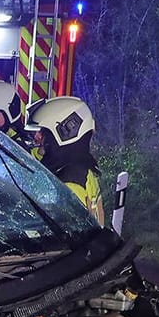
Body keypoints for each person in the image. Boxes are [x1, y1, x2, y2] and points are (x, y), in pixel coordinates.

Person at [26, 96, 106, 225]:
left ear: (66, 133)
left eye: (43, 132)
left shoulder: (68, 182)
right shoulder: (79, 166)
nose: (37, 136)